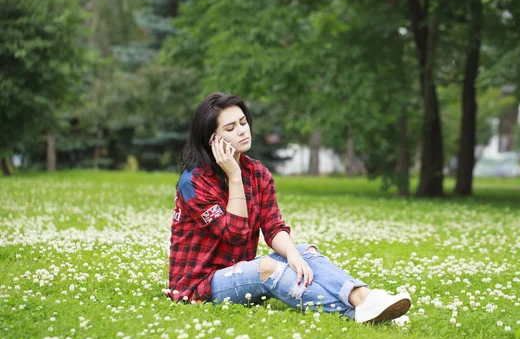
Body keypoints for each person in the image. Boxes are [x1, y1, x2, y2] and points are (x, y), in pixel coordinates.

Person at [167, 92, 411, 324]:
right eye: (230, 128)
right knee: (266, 268)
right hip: (199, 286)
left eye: (243, 122)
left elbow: (273, 227)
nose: (242, 131)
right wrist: (234, 177)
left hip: (238, 271)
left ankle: (364, 299)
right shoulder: (194, 182)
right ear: (212, 140)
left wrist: (293, 255)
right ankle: (358, 312)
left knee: (303, 251)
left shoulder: (259, 174)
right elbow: (235, 234)